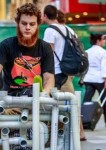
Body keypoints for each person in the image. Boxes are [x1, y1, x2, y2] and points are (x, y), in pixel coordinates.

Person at [0, 3, 54, 150]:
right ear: (17, 23)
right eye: (24, 23)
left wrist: (45, 92)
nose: (28, 27)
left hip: (37, 98)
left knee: (61, 112)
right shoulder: (6, 45)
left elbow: (49, 78)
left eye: (32, 24)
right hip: (12, 100)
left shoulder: (44, 47)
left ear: (38, 25)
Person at [43, 6, 86, 141]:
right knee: (71, 103)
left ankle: (48, 134)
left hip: (55, 73)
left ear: (45, 15)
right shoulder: (69, 29)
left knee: (47, 102)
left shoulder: (50, 30)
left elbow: (48, 52)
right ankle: (80, 133)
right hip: (68, 71)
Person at [83, 33, 106, 128]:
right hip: (99, 80)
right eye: (103, 39)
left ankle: (84, 121)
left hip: (88, 79)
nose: (105, 41)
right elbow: (104, 67)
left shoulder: (87, 51)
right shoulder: (103, 52)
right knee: (104, 101)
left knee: (86, 100)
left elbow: (85, 66)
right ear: (98, 40)